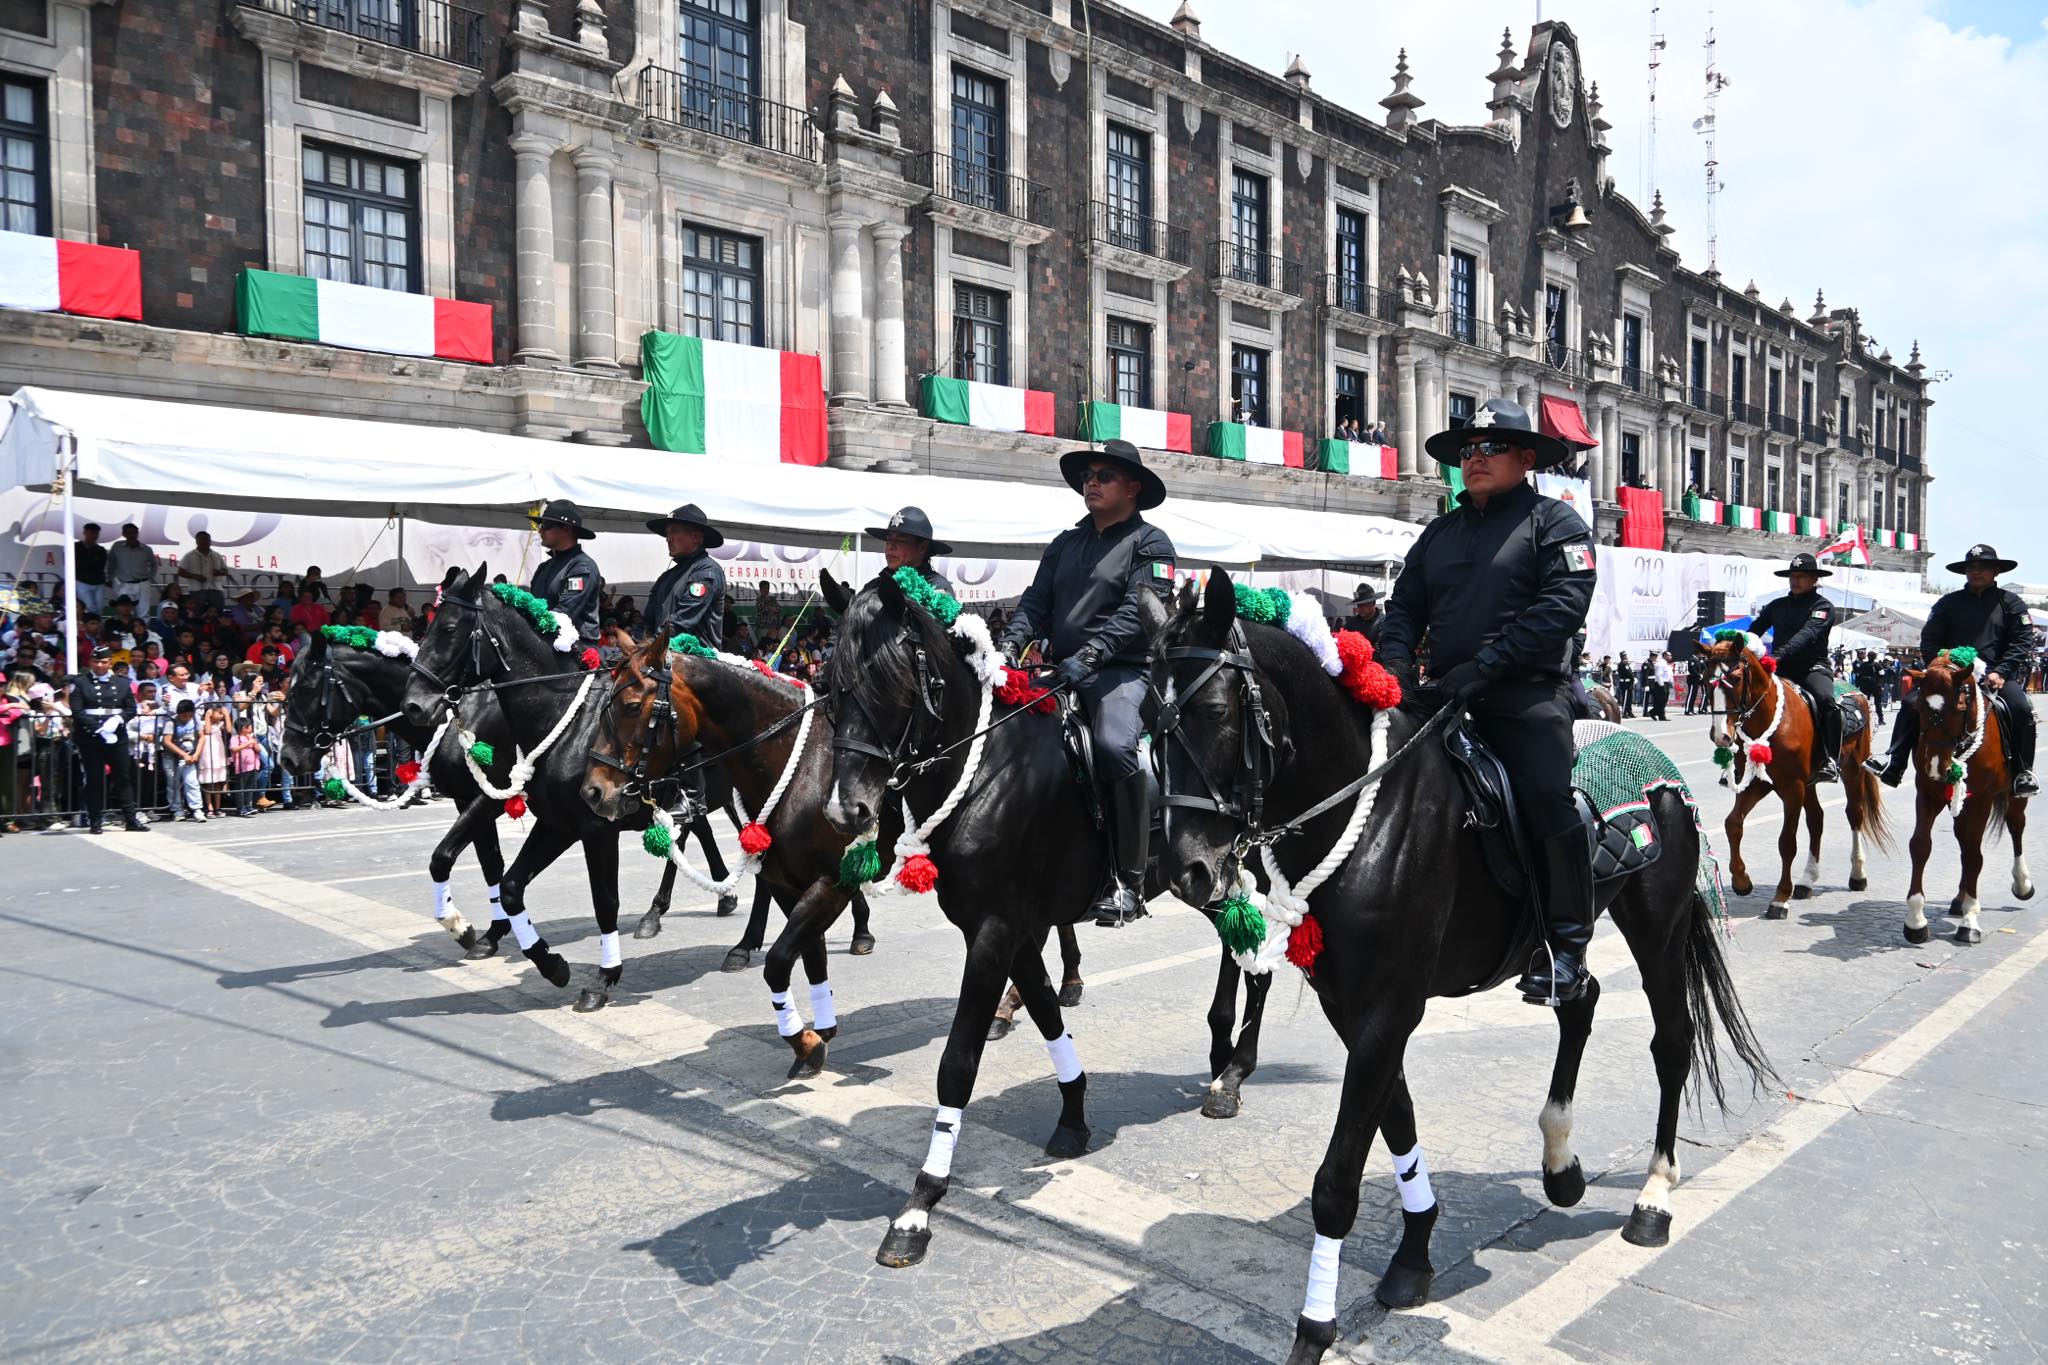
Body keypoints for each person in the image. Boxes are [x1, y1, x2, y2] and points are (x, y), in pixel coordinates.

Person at [1377, 397, 1598, 1007]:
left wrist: (1489, 666)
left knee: (1549, 797)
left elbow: (1561, 608)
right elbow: (1405, 609)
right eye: (1468, 450)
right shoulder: (1439, 532)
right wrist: (1393, 668)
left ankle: (1567, 944)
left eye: (1491, 448)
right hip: (1441, 691)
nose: (1475, 459)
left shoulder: (1557, 523)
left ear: (1526, 457)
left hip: (1523, 693)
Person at [1000, 438, 1176, 928]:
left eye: (1104, 476)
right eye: (1087, 476)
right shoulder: (1065, 543)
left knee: (1114, 746)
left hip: (1123, 672)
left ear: (1133, 488)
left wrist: (1090, 656)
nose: (1091, 483)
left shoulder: (1151, 543)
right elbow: (1035, 603)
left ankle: (1130, 880)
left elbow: (1137, 615)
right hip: (1060, 670)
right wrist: (1010, 648)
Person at [1868, 544, 2037, 796]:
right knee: (1910, 703)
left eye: (1983, 568)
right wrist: (1940, 668)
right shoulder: (1947, 603)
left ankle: (2022, 772)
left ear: (1996, 571)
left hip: (1995, 676)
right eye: (1971, 568)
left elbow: (2022, 642)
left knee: (2022, 708)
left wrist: (2001, 671)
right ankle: (1895, 760)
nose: (1976, 572)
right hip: (1951, 676)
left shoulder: (2011, 603)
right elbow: (1930, 640)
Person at [1749, 552, 1842, 783]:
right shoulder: (1776, 605)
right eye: (1793, 576)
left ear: (1814, 580)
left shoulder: (1823, 607)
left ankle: (1831, 759)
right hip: (1779, 669)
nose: (1795, 580)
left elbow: (1807, 635)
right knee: (1747, 700)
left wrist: (1777, 655)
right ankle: (1742, 757)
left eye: (1802, 576)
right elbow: (1755, 629)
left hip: (1811, 668)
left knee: (1827, 702)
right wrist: (1740, 644)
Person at [66, 644, 148, 834]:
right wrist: (99, 729)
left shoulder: (123, 683)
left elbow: (130, 708)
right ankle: (95, 821)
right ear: (90, 662)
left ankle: (130, 819)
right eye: (96, 661)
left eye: (104, 661)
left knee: (124, 779)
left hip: (116, 736)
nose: (100, 665)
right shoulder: (80, 683)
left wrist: (117, 720)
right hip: (91, 737)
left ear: (110, 662)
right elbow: (77, 711)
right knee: (94, 780)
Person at [642, 504, 727, 648]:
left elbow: (683, 620)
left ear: (695, 537)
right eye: (667, 533)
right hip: (662, 657)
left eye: (674, 531)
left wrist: (649, 646)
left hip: (696, 663)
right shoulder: (667, 576)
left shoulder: (707, 572)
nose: (668, 539)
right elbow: (647, 621)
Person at [528, 500, 603, 646]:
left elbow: (564, 613)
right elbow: (532, 605)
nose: (540, 530)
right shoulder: (544, 567)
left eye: (546, 525)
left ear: (567, 529)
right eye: (540, 525)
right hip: (543, 644)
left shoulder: (582, 567)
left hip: (577, 650)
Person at [866, 506, 953, 594]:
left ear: (922, 548)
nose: (890, 546)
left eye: (900, 540)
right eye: (889, 539)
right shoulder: (874, 586)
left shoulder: (935, 588)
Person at [160, 699, 204, 822]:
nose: (187, 717)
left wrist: (197, 753)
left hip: (190, 756)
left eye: (189, 715)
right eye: (184, 715)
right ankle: (177, 809)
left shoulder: (195, 720)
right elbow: (167, 741)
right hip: (172, 757)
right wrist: (182, 754)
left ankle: (196, 808)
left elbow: (202, 737)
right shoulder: (171, 722)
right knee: (173, 783)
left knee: (191, 781)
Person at [105, 523, 157, 615]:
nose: (132, 535)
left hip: (143, 583)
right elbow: (111, 564)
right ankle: (127, 629)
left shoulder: (146, 549)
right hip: (124, 584)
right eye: (129, 533)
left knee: (144, 612)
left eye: (134, 533)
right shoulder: (117, 546)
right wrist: (109, 579)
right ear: (124, 534)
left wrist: (150, 578)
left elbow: (154, 565)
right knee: (125, 612)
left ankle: (144, 629)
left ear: (137, 534)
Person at [176, 531, 230, 612]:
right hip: (197, 590)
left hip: (215, 589)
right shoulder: (189, 555)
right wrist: (195, 576)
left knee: (219, 612)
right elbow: (180, 572)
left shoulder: (217, 555)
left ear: (210, 541)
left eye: (207, 539)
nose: (205, 541)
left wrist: (219, 572)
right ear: (196, 541)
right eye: (202, 539)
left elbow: (226, 571)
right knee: (197, 613)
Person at [73, 523, 108, 614]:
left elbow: (101, 566)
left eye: (96, 533)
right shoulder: (75, 547)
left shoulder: (101, 550)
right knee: (89, 607)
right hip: (82, 581)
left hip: (98, 582)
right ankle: (90, 626)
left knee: (99, 607)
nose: (94, 536)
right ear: (85, 533)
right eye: (91, 533)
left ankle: (98, 626)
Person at [1341, 582, 1385, 648]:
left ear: (1373, 603)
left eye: (1363, 605)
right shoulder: (1352, 622)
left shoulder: (1383, 622)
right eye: (1358, 605)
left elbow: (1383, 650)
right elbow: (1341, 638)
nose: (1359, 608)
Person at [1614, 653, 1637, 717]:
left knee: (1629, 699)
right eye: (1624, 656)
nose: (1626, 657)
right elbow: (1629, 673)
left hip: (1628, 683)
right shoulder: (1623, 664)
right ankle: (1624, 712)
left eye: (1625, 656)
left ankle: (1629, 712)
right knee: (1625, 699)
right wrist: (1633, 679)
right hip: (1625, 684)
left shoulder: (1625, 663)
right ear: (1622, 657)